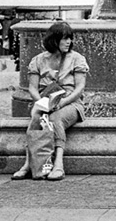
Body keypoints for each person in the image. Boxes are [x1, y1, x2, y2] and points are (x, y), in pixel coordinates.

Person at [11, 22, 89, 181]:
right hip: (45, 99)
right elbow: (32, 88)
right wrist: (42, 103)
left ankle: (58, 164)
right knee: (36, 118)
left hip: (71, 103)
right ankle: (28, 164)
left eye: (70, 38)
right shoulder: (38, 60)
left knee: (54, 119)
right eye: (64, 38)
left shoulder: (76, 59)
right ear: (54, 40)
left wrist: (62, 103)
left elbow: (79, 88)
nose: (68, 42)